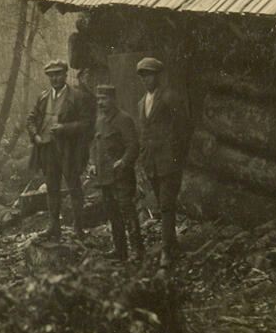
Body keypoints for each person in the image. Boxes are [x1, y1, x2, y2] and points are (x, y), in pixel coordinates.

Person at [26, 59, 94, 240]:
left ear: (65, 74)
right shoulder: (43, 97)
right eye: (51, 75)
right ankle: (54, 227)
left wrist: (65, 128)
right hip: (47, 150)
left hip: (69, 150)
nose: (55, 78)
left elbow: (88, 124)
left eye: (58, 74)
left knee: (74, 187)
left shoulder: (77, 96)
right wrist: (35, 136)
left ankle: (78, 227)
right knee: (52, 188)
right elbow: (31, 119)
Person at [136, 57, 190, 267]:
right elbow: (144, 133)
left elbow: (183, 128)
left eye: (149, 75)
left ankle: (167, 251)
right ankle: (172, 242)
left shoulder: (169, 98)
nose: (146, 80)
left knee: (167, 205)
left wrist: (177, 156)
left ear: (158, 76)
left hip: (169, 162)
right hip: (152, 163)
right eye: (142, 76)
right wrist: (143, 158)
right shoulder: (142, 103)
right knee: (162, 204)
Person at [89, 85, 143, 262]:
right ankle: (120, 250)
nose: (100, 103)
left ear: (113, 99)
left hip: (121, 176)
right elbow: (95, 145)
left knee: (127, 212)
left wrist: (124, 162)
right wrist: (92, 164)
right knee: (113, 215)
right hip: (104, 177)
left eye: (104, 99)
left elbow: (133, 146)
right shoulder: (99, 121)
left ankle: (137, 250)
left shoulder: (123, 119)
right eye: (98, 99)